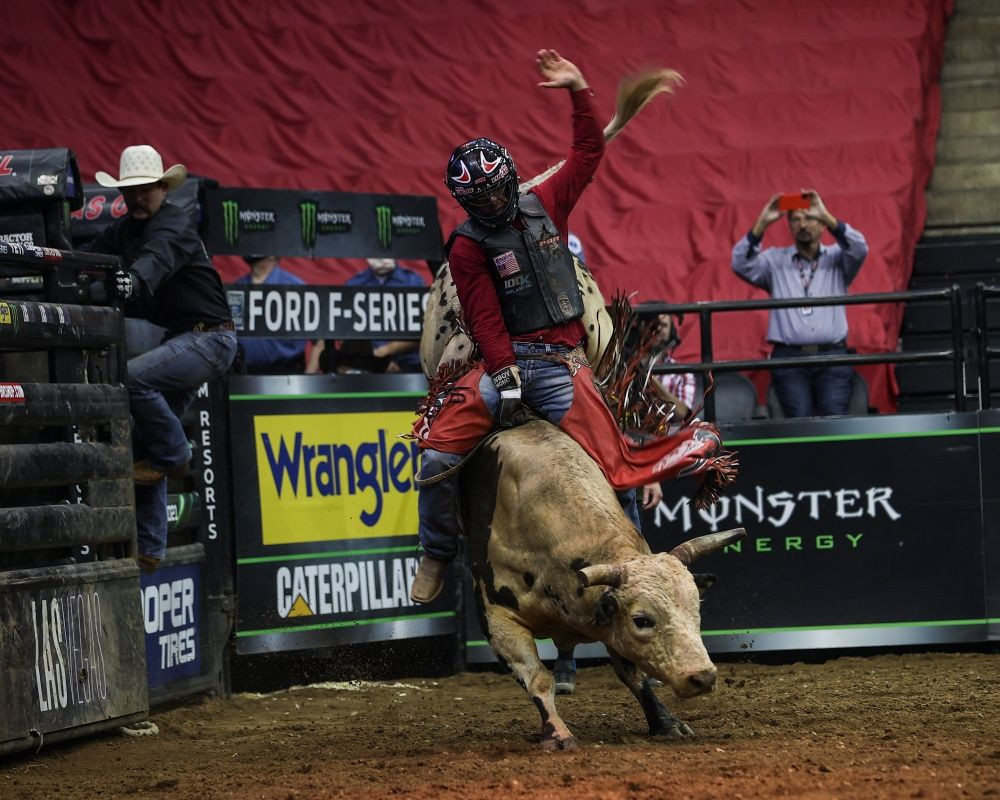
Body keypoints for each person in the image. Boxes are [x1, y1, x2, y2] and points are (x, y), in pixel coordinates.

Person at [409, 49, 733, 605]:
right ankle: (437, 553)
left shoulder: (546, 201)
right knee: (435, 454)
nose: (489, 200)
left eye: (494, 189)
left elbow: (587, 151)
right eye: (477, 196)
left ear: (508, 180)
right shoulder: (467, 245)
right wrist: (506, 378)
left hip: (562, 362)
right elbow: (484, 314)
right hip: (502, 361)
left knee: (618, 463)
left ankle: (634, 552)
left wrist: (579, 89)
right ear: (465, 201)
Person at [81, 145, 237, 572]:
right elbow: (92, 255)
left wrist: (131, 282)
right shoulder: (125, 230)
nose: (137, 197)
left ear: (162, 188)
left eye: (145, 189)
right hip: (190, 339)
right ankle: (150, 549)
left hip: (209, 339)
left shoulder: (174, 226)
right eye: (130, 190)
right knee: (143, 442)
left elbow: (155, 261)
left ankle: (174, 455)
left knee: (132, 381)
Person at [731, 190, 868, 417]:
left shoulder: (838, 258)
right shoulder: (774, 261)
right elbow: (739, 262)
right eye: (795, 219)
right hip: (790, 359)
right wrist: (762, 222)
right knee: (798, 426)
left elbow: (859, 247)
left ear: (822, 224)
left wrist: (827, 215)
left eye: (809, 218)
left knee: (835, 424)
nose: (802, 224)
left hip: (832, 356)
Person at [306, 258, 426, 374]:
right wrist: (374, 361)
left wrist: (384, 352)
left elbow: (424, 331)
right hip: (366, 367)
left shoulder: (414, 282)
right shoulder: (354, 283)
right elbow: (344, 332)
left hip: (408, 365)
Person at [235, 255, 307, 374]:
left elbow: (320, 341)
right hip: (242, 375)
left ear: (273, 255)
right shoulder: (237, 287)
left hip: (286, 376)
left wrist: (309, 377)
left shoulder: (294, 288)